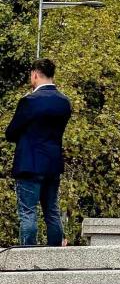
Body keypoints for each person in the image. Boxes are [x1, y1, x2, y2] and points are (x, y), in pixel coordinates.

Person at [5, 58, 72, 246]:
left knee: (28, 212)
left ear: (35, 74)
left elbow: (11, 132)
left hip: (29, 164)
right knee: (51, 211)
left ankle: (28, 255)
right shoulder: (64, 102)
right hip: (52, 164)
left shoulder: (29, 102)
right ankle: (54, 255)